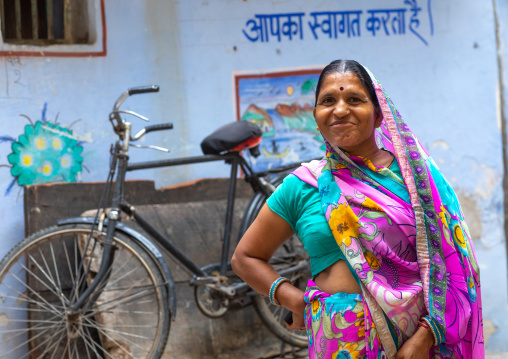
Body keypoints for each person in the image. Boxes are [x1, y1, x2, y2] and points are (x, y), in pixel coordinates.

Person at [231, 60, 484, 359]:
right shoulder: (302, 185)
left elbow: (458, 265)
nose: (340, 110)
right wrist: (294, 300)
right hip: (336, 340)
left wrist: (427, 335)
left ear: (379, 115)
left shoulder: (418, 179)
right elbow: (245, 258)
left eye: (354, 99)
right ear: (316, 117)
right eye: (328, 101)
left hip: (414, 342)